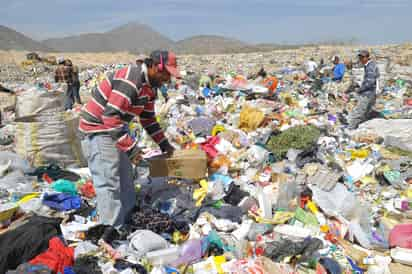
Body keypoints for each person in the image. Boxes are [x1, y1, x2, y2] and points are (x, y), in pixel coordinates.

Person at [79, 50, 179, 228]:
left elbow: (148, 119)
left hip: (116, 128)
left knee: (125, 180)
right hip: (99, 129)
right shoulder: (131, 80)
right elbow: (110, 117)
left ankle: (128, 222)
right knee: (109, 183)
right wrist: (132, 149)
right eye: (166, 74)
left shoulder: (149, 87)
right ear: (156, 67)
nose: (167, 80)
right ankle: (111, 231)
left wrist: (165, 145)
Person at [348, 50, 380, 129]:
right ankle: (360, 128)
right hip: (371, 93)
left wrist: (359, 90)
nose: (360, 59)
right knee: (365, 112)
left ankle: (350, 129)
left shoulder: (370, 66)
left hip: (367, 94)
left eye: (362, 57)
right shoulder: (368, 66)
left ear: (367, 57)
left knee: (358, 113)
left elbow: (370, 82)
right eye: (360, 57)